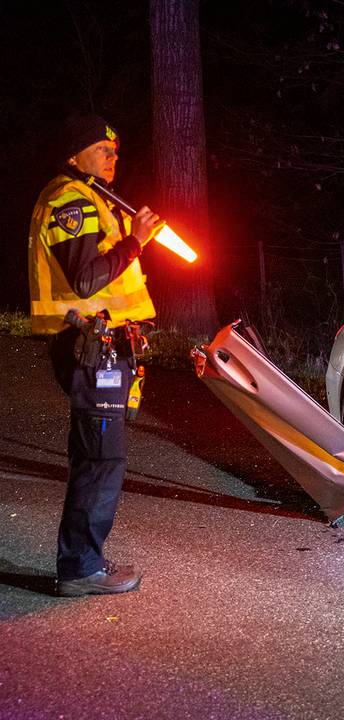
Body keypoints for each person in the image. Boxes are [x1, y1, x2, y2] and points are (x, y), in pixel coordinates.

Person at [27, 115, 163, 596]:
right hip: (91, 350)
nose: (112, 156)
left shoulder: (96, 200)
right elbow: (85, 280)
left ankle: (82, 561)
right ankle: (81, 567)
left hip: (106, 349)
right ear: (73, 154)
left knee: (99, 456)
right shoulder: (69, 200)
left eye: (115, 150)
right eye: (101, 149)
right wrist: (135, 242)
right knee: (99, 458)